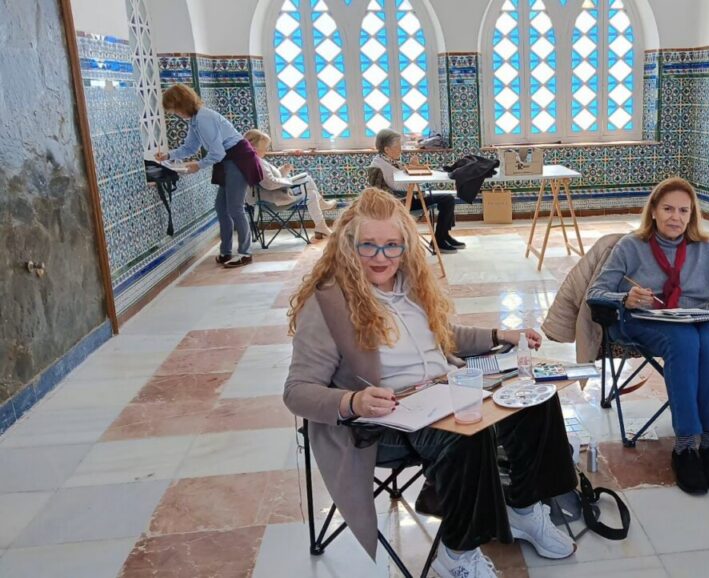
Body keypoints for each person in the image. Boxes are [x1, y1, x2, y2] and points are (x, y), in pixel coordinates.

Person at [283, 187, 578, 577]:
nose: (381, 257)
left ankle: (524, 508)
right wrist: (353, 402)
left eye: (392, 246)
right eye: (368, 246)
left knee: (535, 398)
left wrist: (497, 335)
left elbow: (443, 335)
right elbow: (297, 392)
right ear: (347, 244)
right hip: (385, 419)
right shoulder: (328, 303)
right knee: (467, 432)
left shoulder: (410, 284)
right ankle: (457, 554)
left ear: (406, 246)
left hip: (444, 390)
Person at [587, 177, 709, 496]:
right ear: (653, 211)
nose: (675, 217)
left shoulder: (706, 249)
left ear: (692, 216)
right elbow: (596, 292)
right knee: (684, 342)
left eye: (683, 211)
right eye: (667, 209)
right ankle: (685, 447)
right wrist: (626, 298)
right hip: (645, 320)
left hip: (697, 316)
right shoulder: (630, 246)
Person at [156, 84, 263, 268]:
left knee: (235, 208)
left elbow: (217, 153)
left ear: (182, 104)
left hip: (238, 160)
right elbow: (191, 147)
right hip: (228, 161)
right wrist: (168, 156)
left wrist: (198, 165)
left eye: (174, 109)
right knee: (221, 207)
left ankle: (245, 253)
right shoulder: (195, 120)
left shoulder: (204, 118)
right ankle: (226, 251)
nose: (175, 114)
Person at [369, 128, 463, 253]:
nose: (401, 149)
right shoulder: (380, 165)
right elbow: (400, 186)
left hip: (406, 200)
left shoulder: (387, 160)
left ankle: (443, 236)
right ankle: (440, 239)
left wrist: (411, 167)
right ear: (387, 149)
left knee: (448, 199)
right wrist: (417, 175)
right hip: (401, 205)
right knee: (447, 200)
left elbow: (400, 177)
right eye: (398, 146)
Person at [242, 129, 339, 240]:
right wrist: (289, 182)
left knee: (310, 191)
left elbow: (269, 179)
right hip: (271, 200)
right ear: (254, 148)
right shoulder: (257, 162)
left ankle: (321, 225)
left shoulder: (253, 160)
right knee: (308, 185)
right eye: (264, 147)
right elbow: (270, 183)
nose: (266, 150)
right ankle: (323, 212)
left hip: (270, 195)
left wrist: (283, 171)